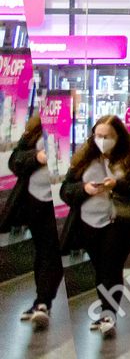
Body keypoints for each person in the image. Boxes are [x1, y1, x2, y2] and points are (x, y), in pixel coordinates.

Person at [60, 115, 130, 338]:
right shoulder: (83, 162)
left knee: (111, 265)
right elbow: (66, 191)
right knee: (101, 268)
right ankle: (106, 311)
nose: (102, 140)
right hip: (89, 222)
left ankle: (108, 314)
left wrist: (117, 184)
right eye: (98, 136)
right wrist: (85, 189)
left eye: (107, 136)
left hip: (121, 222)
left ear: (118, 137)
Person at [3, 117, 63, 329]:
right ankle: (42, 301)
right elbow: (15, 161)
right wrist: (37, 157)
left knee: (51, 252)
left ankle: (43, 302)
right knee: (43, 251)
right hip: (34, 202)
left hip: (60, 205)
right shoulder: (34, 133)